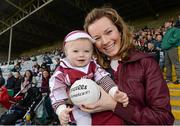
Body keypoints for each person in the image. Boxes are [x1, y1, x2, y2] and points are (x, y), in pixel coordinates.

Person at [80, 7, 174, 125]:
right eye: (97, 38)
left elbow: (164, 119)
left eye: (109, 32)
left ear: (119, 30)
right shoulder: (92, 71)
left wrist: (114, 106)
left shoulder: (146, 63)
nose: (105, 41)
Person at [49, 30, 129, 125]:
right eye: (75, 51)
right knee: (84, 122)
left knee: (113, 119)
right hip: (78, 108)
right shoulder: (61, 72)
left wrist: (114, 92)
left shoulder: (93, 65)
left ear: (92, 52)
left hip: (98, 101)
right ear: (66, 52)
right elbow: (57, 93)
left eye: (86, 51)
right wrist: (61, 111)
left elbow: (103, 79)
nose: (81, 54)